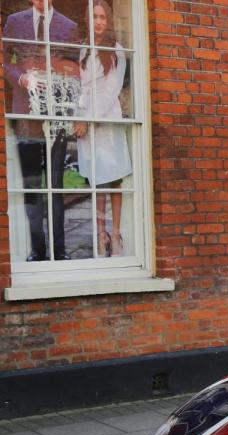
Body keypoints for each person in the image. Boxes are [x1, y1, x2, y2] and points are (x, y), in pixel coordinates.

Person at [3, 0, 80, 261]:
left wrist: (58, 75)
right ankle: (38, 250)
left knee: (56, 185)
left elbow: (76, 71)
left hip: (57, 118)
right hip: (26, 116)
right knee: (32, 186)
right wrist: (22, 78)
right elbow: (4, 62)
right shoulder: (15, 22)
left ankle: (60, 250)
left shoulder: (69, 27)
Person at [74, 0, 132, 257]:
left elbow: (111, 90)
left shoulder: (116, 50)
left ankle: (116, 233)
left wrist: (89, 119)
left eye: (102, 17)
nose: (98, 22)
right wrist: (79, 117)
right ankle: (101, 235)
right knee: (97, 180)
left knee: (113, 180)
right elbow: (81, 89)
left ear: (108, 21)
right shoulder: (84, 49)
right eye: (94, 16)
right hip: (87, 123)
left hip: (107, 121)